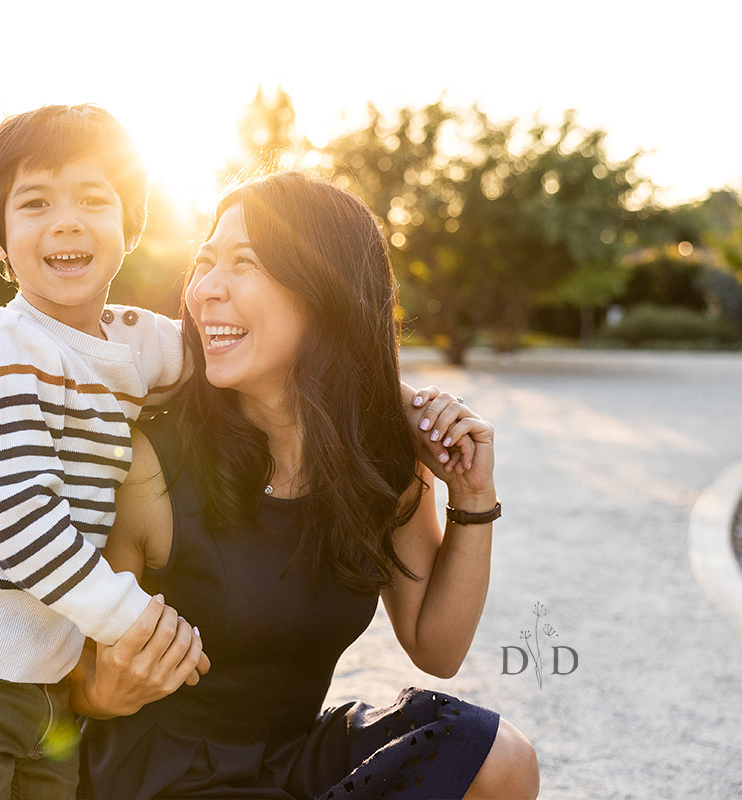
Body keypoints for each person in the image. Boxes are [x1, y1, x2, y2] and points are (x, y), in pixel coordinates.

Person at [71, 172, 540, 799]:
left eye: (244, 263)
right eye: (204, 263)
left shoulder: (379, 464)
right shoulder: (153, 466)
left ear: (324, 290)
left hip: (291, 757)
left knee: (499, 761)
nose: (206, 290)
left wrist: (473, 498)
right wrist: (100, 692)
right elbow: (59, 664)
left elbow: (438, 647)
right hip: (170, 776)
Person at [0, 105, 205, 800]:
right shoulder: (3, 348)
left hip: (49, 684)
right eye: (35, 204)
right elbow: (18, 519)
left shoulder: (131, 343)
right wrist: (132, 619)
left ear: (129, 227)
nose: (67, 220)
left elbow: (229, 360)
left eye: (94, 199)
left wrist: (389, 394)